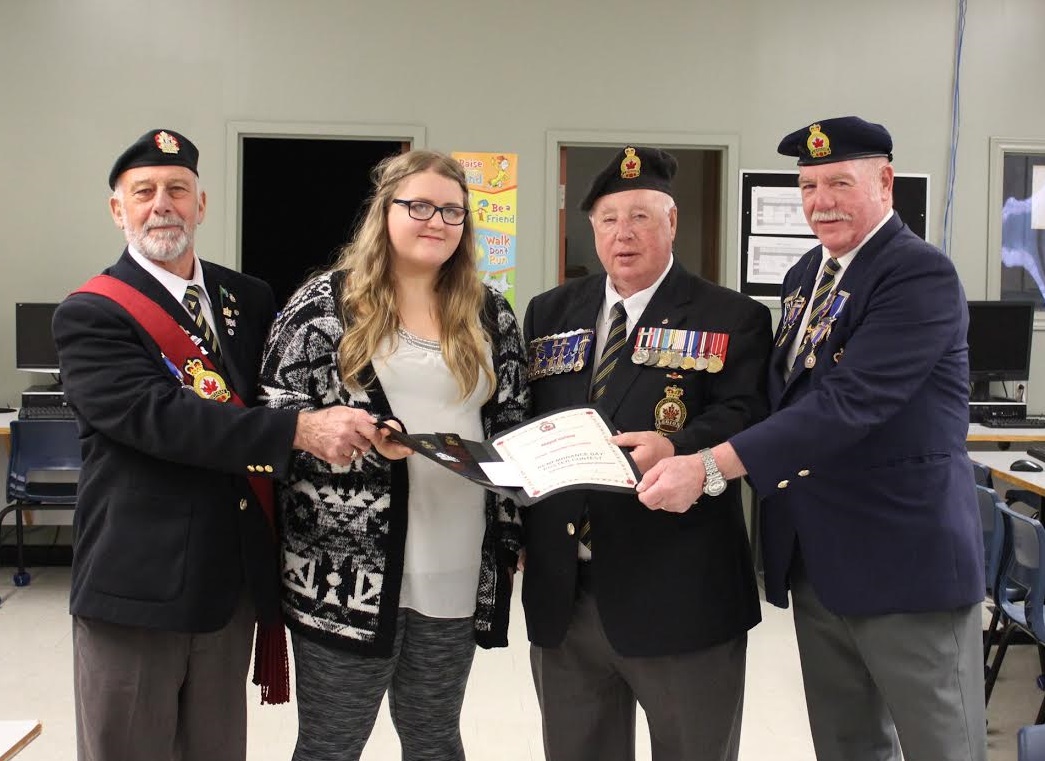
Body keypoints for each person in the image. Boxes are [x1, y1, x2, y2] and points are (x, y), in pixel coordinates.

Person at [637, 117, 987, 761]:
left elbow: (848, 404)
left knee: (943, 744)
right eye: (807, 186)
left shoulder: (917, 275)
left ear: (885, 182)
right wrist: (678, 442)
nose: (819, 201)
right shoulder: (808, 275)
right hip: (818, 558)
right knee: (846, 743)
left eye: (838, 183)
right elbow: (783, 397)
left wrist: (710, 467)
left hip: (903, 560)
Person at [53, 128, 373, 761]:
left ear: (202, 205)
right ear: (118, 210)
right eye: (143, 192)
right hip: (137, 587)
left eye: (178, 189)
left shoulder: (247, 297)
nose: (161, 204)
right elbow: (160, 418)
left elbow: (281, 389)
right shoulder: (91, 313)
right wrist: (301, 431)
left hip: (231, 584)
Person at [258, 149, 529, 761]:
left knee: (434, 738)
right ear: (385, 213)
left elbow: (512, 421)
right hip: (344, 571)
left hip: (455, 561)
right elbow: (274, 410)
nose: (436, 221)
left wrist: (516, 525)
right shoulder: (324, 305)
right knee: (332, 743)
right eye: (419, 206)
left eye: (453, 212)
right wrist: (339, 429)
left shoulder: (491, 313)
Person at [521, 146, 773, 761]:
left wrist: (679, 445)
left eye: (640, 216)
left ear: (672, 223)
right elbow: (526, 420)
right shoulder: (550, 312)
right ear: (592, 230)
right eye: (608, 219)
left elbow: (748, 415)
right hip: (568, 593)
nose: (622, 233)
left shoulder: (731, 316)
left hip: (680, 590)